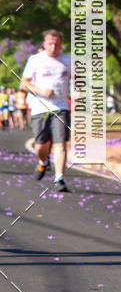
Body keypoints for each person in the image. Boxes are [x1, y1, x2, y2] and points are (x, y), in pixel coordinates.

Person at [20, 29, 71, 192]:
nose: (53, 47)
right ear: (44, 44)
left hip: (61, 107)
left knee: (60, 143)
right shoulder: (35, 60)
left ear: (61, 44)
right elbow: (23, 84)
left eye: (56, 44)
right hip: (39, 107)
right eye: (50, 44)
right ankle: (43, 162)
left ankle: (59, 178)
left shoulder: (68, 60)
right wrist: (41, 92)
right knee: (41, 146)